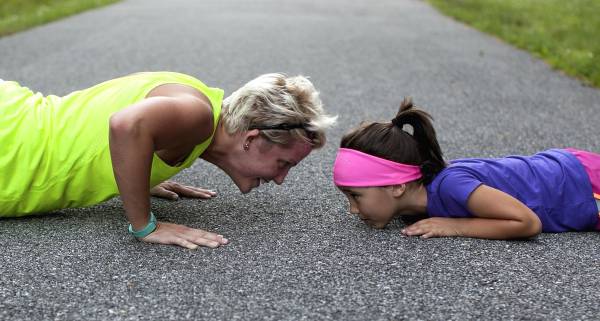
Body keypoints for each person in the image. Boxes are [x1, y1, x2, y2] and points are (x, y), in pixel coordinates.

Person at [0, 72, 336, 249]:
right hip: (11, 148)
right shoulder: (198, 115)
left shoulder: (200, 108)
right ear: (251, 139)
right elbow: (126, 125)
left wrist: (138, 171)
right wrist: (145, 224)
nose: (281, 179)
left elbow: (114, 122)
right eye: (284, 163)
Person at [333, 97, 600, 240]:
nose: (353, 209)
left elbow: (527, 222)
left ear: (397, 185)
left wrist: (455, 226)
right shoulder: (415, 205)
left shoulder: (451, 185)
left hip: (585, 184)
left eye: (356, 196)